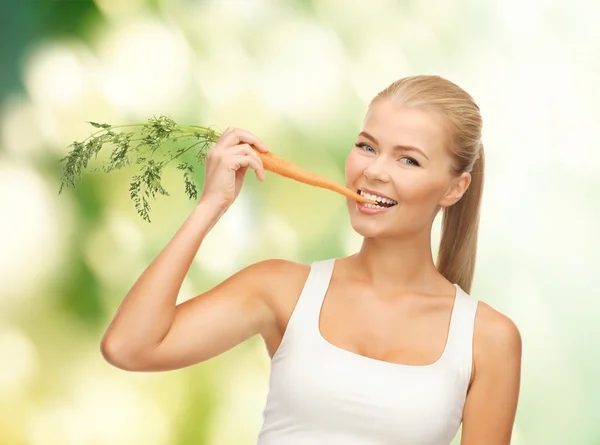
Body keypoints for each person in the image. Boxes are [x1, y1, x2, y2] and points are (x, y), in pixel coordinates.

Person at [100, 75, 522, 445]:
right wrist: (211, 205)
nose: (374, 171)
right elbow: (128, 347)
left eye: (408, 159)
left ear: (454, 188)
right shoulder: (281, 289)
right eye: (366, 147)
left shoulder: (488, 339)